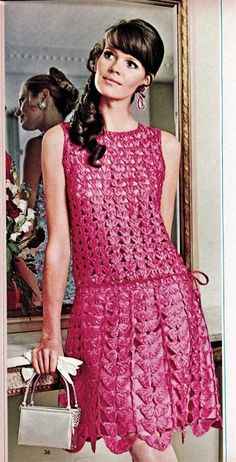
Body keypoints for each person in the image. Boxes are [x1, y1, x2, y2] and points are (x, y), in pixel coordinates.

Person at [31, 19, 222, 462]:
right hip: (103, 310)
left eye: (131, 61)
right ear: (97, 58)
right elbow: (58, 243)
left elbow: (160, 232)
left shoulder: (165, 146)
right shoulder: (59, 143)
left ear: (145, 80)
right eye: (110, 54)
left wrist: (175, 291)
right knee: (149, 447)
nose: (116, 67)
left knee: (153, 447)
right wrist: (49, 334)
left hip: (166, 302)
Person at [15, 68, 78, 304]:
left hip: (49, 256)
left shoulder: (38, 145)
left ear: (43, 97)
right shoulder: (81, 142)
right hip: (80, 258)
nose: (19, 109)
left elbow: (25, 212)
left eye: (23, 99)